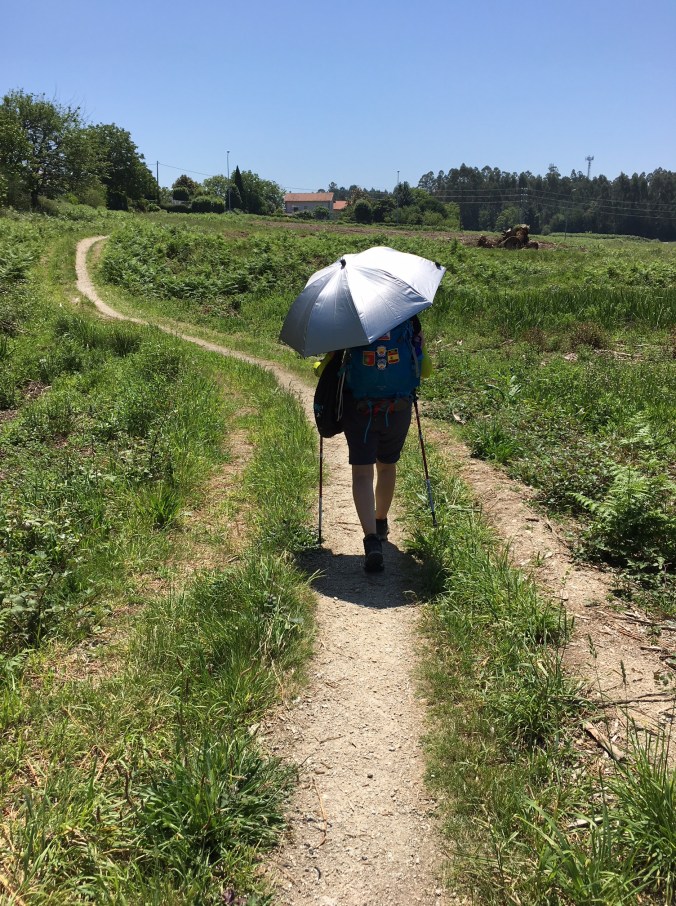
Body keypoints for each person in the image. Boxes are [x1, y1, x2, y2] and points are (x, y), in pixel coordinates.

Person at [318, 315, 432, 572]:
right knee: (387, 466)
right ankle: (381, 522)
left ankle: (371, 541)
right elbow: (424, 370)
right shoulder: (408, 319)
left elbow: (324, 370)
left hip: (358, 409)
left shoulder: (347, 322)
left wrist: (327, 357)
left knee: (361, 472)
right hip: (398, 408)